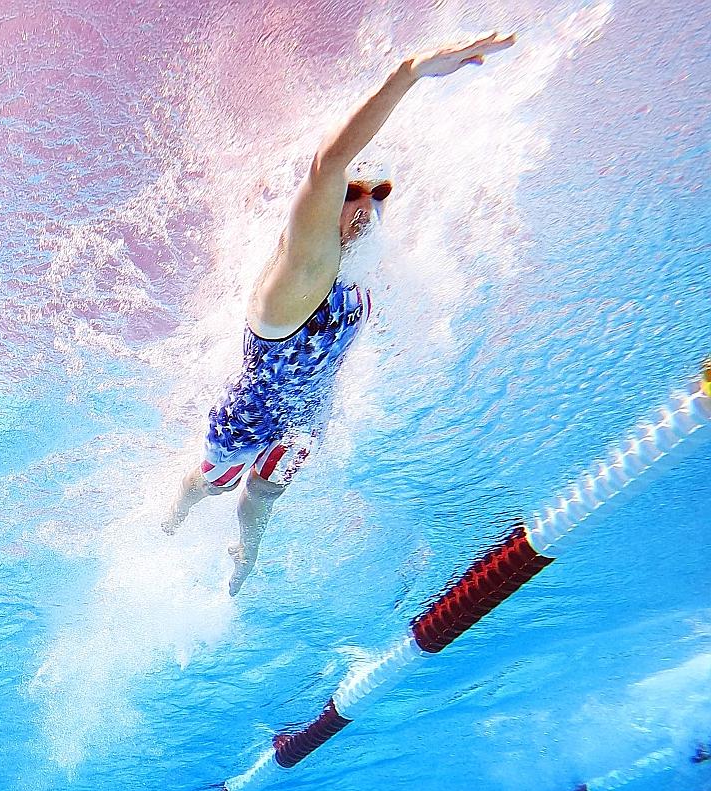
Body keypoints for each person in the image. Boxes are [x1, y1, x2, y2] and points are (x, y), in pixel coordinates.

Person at [163, 32, 516, 594]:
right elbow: (329, 163)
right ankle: (175, 510)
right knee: (216, 484)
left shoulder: (359, 269)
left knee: (264, 495)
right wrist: (408, 74)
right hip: (251, 415)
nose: (367, 207)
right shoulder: (303, 271)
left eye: (379, 196)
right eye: (354, 193)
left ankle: (246, 551)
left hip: (308, 416)